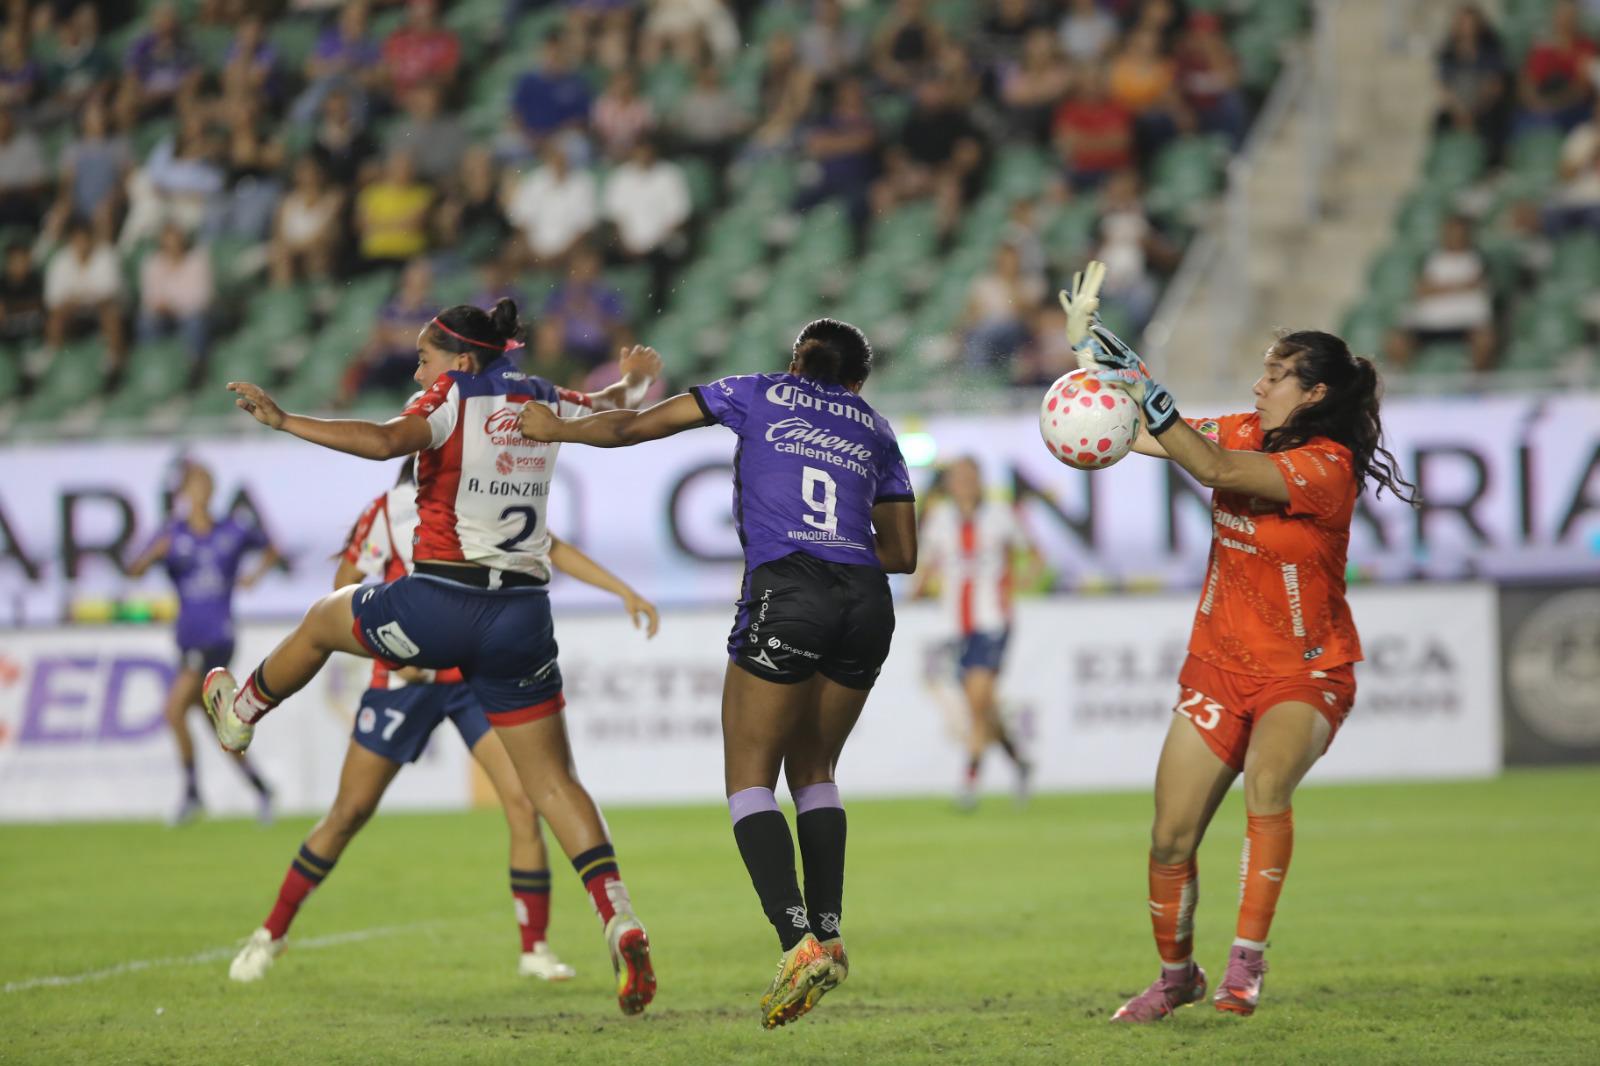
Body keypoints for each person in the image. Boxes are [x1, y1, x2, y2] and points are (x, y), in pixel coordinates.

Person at [209, 300, 662, 1017]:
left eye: (422, 358)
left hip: (443, 607)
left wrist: (287, 420)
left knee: (326, 617)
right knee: (552, 783)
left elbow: (386, 441)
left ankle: (242, 711)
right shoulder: (540, 394)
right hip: (522, 615)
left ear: (456, 360)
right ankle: (619, 916)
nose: (416, 370)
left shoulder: (450, 397)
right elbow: (610, 411)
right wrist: (635, 385)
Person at [517, 318, 918, 1030]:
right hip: (864, 598)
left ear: (796, 362)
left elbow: (630, 429)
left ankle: (797, 941)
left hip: (788, 588)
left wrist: (554, 431)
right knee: (817, 770)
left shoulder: (757, 392)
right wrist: (838, 540)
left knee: (749, 777)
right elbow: (904, 552)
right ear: (857, 381)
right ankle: (827, 930)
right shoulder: (877, 428)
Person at [1061, 273, 1419, 1022]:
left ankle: (1245, 965)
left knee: (1266, 790)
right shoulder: (1248, 430)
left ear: (1314, 393)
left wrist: (1150, 399)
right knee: (1168, 839)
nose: (1258, 386)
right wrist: (1097, 370)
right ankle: (1176, 976)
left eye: (1274, 374)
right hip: (1219, 666)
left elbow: (1213, 468)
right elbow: (1160, 439)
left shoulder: (1326, 467)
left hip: (1308, 669)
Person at [229, 458, 660, 984]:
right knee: (349, 813)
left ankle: (535, 948)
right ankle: (270, 934)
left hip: (469, 679)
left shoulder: (481, 505)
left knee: (524, 803)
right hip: (403, 684)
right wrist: (392, 656)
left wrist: (622, 590)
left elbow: (552, 545)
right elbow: (344, 591)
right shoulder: (389, 510)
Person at [126, 460, 281, 826]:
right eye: (193, 487)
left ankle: (193, 794)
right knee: (222, 728)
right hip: (187, 639)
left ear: (212, 491)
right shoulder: (172, 535)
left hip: (218, 638)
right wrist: (152, 555)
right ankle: (261, 789)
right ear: (182, 495)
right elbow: (133, 570)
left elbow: (272, 547)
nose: (199, 494)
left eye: (205, 486)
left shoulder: (232, 530)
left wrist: (254, 577)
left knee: (173, 709)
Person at [915, 457, 1039, 809]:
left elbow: (1033, 554)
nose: (965, 484)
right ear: (950, 484)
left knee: (977, 698)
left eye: (971, 477)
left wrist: (1023, 583)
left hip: (993, 622)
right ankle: (1019, 762)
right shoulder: (940, 519)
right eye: (959, 478)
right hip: (954, 625)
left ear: (980, 480)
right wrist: (915, 592)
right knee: (982, 705)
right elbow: (927, 564)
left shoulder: (999, 514)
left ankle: (969, 780)